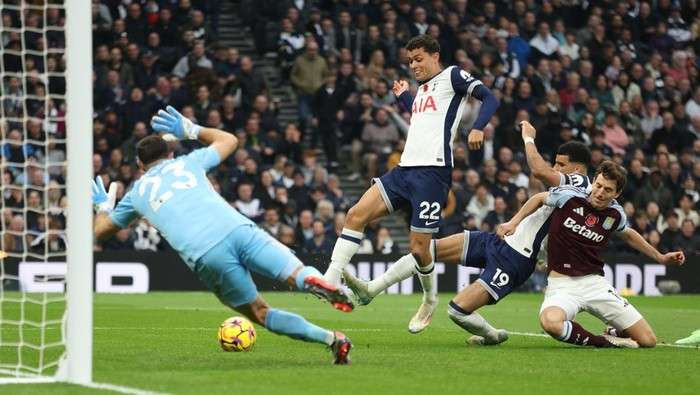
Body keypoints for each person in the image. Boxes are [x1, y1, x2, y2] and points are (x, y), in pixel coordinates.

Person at [92, 106, 354, 364]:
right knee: (297, 273)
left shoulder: (137, 193)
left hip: (207, 253)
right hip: (238, 229)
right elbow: (229, 140)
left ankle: (333, 340)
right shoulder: (187, 163)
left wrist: (103, 208)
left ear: (140, 165)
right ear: (170, 154)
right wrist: (190, 129)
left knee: (261, 312)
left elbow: (100, 232)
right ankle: (318, 282)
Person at [344, 121, 592, 343]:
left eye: (561, 165)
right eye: (556, 163)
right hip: (498, 240)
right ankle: (370, 290)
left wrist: (528, 138)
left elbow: (539, 171)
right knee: (424, 250)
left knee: (457, 311)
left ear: (578, 170)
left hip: (516, 259)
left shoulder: (581, 184)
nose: (556, 168)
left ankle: (491, 335)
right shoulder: (569, 188)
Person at [323, 34, 500, 333]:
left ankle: (429, 299)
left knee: (420, 249)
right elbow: (422, 118)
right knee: (355, 214)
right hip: (404, 170)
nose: (414, 65)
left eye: (418, 59)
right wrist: (405, 97)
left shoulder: (453, 75)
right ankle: (329, 279)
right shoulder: (423, 89)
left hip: (432, 173)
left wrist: (477, 128)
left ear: (435, 55)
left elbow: (490, 98)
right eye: (410, 61)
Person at [513, 161, 685, 348]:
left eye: (608, 190)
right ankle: (606, 341)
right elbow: (538, 198)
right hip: (562, 286)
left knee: (648, 341)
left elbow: (627, 233)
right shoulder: (568, 196)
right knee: (550, 323)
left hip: (595, 285)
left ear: (617, 194)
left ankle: (613, 330)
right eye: (598, 185)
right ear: (593, 181)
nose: (600, 192)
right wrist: (512, 223)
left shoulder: (615, 214)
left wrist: (659, 257)